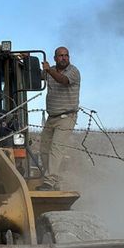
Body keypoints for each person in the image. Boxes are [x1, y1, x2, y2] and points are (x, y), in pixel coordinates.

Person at [37, 46, 80, 190]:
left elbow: (63, 80)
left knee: (56, 147)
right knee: (44, 148)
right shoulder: (50, 71)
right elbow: (35, 76)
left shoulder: (73, 72)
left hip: (66, 116)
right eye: (60, 55)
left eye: (66, 55)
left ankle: (49, 181)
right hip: (52, 116)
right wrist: (26, 60)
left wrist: (49, 70)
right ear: (55, 58)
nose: (64, 58)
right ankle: (53, 180)